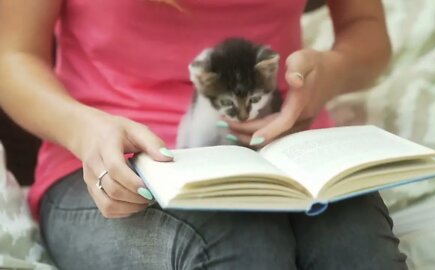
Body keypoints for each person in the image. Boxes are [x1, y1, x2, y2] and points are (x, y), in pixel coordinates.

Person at [0, 0, 407, 269]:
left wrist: (330, 73)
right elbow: (12, 56)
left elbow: (365, 28)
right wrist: (85, 129)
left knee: (356, 244)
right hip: (111, 164)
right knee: (240, 241)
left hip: (288, 158)